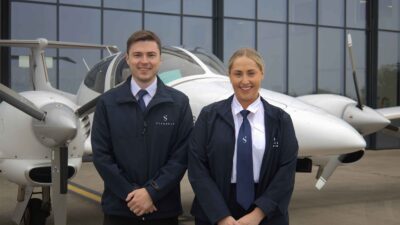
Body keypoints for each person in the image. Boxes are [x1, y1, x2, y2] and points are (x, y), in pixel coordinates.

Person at [91, 30, 193, 225]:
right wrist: (132, 195)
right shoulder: (107, 103)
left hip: (163, 212)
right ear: (127, 59)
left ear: (160, 60)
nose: (144, 61)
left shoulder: (179, 103)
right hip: (120, 211)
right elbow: (102, 156)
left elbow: (181, 157)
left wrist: (152, 193)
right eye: (137, 55)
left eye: (151, 55)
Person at [188, 48, 298, 225]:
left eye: (251, 73)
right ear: (229, 76)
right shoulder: (209, 116)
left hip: (266, 212)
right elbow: (197, 167)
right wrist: (221, 216)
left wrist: (258, 214)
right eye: (238, 74)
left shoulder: (280, 120)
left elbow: (286, 171)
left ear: (261, 74)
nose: (245, 80)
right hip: (216, 211)